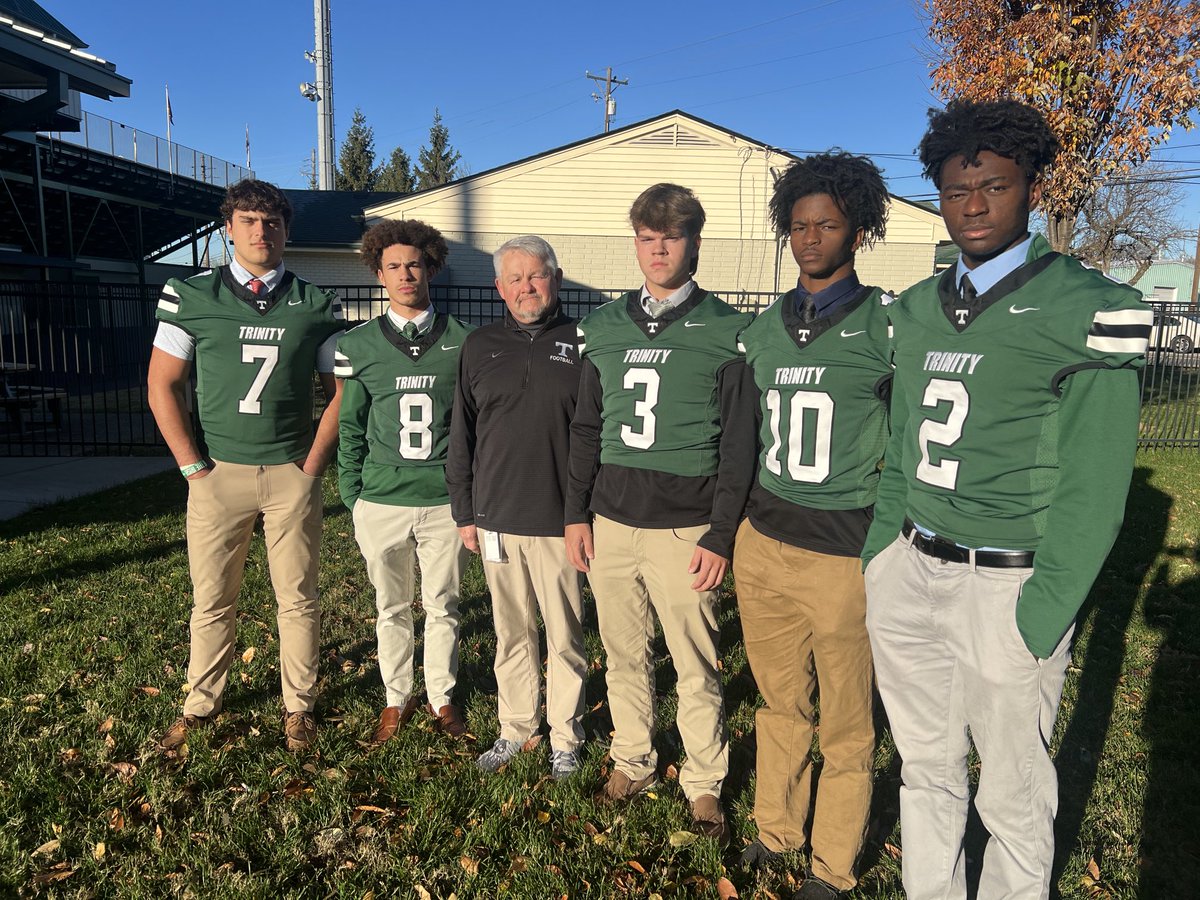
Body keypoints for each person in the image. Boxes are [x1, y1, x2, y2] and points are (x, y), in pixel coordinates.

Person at [861, 99, 1152, 899]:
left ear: (1030, 186)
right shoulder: (916, 309)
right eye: (958, 191)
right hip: (910, 566)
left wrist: (1043, 608)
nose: (975, 205)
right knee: (925, 773)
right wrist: (882, 551)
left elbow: (1096, 489)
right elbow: (901, 443)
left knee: (1014, 795)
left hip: (1008, 584)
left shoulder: (1087, 306)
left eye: (993, 184)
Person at [564, 183, 755, 844]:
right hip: (613, 520)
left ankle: (704, 783)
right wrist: (575, 513)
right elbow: (586, 428)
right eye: (648, 237)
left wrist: (722, 531)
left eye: (671, 236)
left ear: (695, 242)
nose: (659, 249)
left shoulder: (729, 329)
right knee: (623, 655)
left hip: (686, 525)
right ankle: (634, 761)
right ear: (636, 242)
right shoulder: (606, 326)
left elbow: (739, 444)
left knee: (696, 662)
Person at [734, 152, 892, 899]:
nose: (810, 237)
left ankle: (831, 866)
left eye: (826, 223)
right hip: (764, 543)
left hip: (842, 552)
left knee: (848, 724)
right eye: (798, 225)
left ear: (857, 230)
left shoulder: (889, 325)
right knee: (779, 704)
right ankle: (777, 829)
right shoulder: (763, 329)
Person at [148, 179, 345, 753]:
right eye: (250, 221)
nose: (263, 231)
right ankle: (201, 703)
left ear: (287, 230)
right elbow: (162, 385)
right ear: (229, 228)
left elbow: (339, 393)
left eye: (274, 222)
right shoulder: (191, 293)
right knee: (211, 598)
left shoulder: (313, 302)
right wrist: (191, 466)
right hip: (219, 471)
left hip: (290, 472)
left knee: (299, 595)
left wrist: (311, 465)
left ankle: (299, 706)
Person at [446, 235, 587, 780]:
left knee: (566, 636)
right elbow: (463, 432)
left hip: (560, 520)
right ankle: (516, 728)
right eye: (516, 279)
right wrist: (465, 510)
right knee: (512, 633)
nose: (528, 287)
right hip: (496, 517)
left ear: (555, 277)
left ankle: (567, 738)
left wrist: (584, 512)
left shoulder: (584, 342)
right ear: (499, 288)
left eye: (538, 275)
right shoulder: (479, 346)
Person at [335, 219, 473, 742]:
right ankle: (395, 697)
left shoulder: (463, 340)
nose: (405, 274)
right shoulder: (359, 343)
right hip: (382, 498)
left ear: (430, 266)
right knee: (390, 606)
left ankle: (441, 696)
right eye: (393, 265)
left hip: (442, 499)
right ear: (379, 273)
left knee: (443, 604)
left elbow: (475, 424)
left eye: (414, 263)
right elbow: (350, 426)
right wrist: (354, 495)